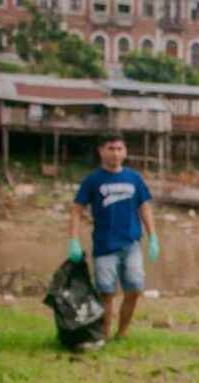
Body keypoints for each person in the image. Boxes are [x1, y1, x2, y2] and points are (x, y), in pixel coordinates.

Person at [69, 132, 159, 340]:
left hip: (131, 244)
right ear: (101, 151)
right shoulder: (93, 180)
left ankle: (122, 332)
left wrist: (153, 236)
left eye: (119, 149)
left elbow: (144, 207)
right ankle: (105, 334)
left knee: (135, 289)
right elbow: (76, 209)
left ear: (125, 151)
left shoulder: (134, 178)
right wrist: (73, 240)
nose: (115, 153)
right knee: (107, 293)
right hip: (105, 247)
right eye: (110, 149)